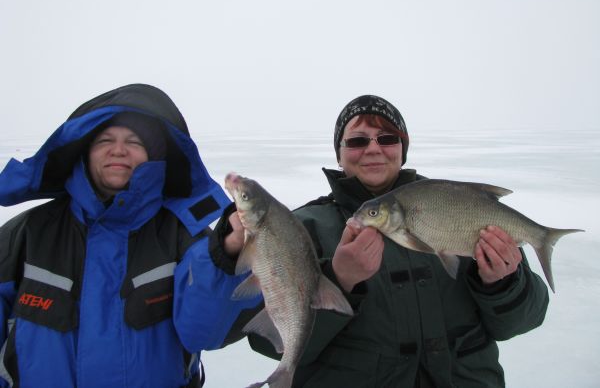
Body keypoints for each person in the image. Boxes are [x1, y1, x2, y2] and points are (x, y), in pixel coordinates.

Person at [235, 94, 549, 387]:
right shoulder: (302, 228)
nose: (373, 149)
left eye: (387, 138)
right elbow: (270, 344)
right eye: (357, 141)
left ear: (402, 149)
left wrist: (501, 283)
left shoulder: (457, 208)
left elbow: (523, 321)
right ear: (339, 155)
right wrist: (340, 279)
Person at [0, 84, 260, 388]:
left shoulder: (186, 238)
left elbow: (203, 333)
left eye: (134, 141)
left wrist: (224, 257)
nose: (118, 149)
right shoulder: (26, 234)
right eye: (105, 140)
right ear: (84, 151)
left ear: (153, 154)